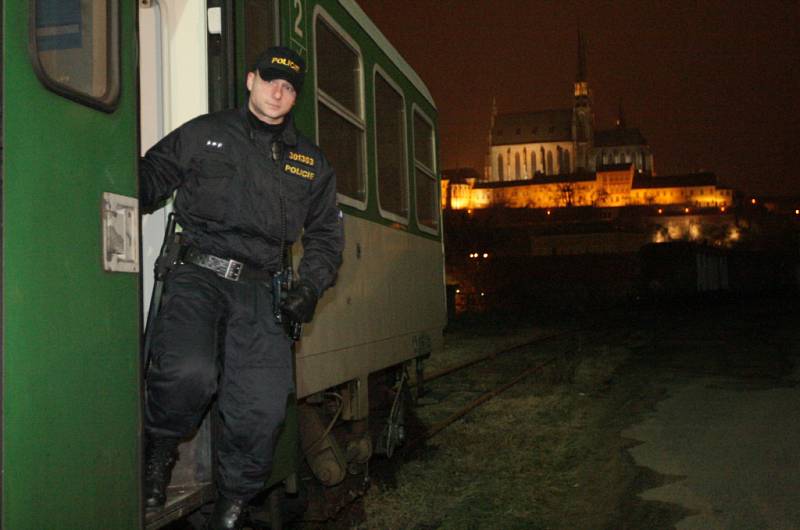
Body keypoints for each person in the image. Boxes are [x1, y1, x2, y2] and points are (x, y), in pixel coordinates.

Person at [139, 46, 343, 529]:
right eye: (271, 80)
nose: (278, 92)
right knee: (187, 372)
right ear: (250, 80)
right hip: (198, 276)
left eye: (289, 87)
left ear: (294, 98)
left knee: (264, 408)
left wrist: (309, 288)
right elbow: (148, 177)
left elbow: (326, 238)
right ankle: (159, 455)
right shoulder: (205, 134)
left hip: (262, 290)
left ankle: (232, 505)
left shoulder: (309, 163)